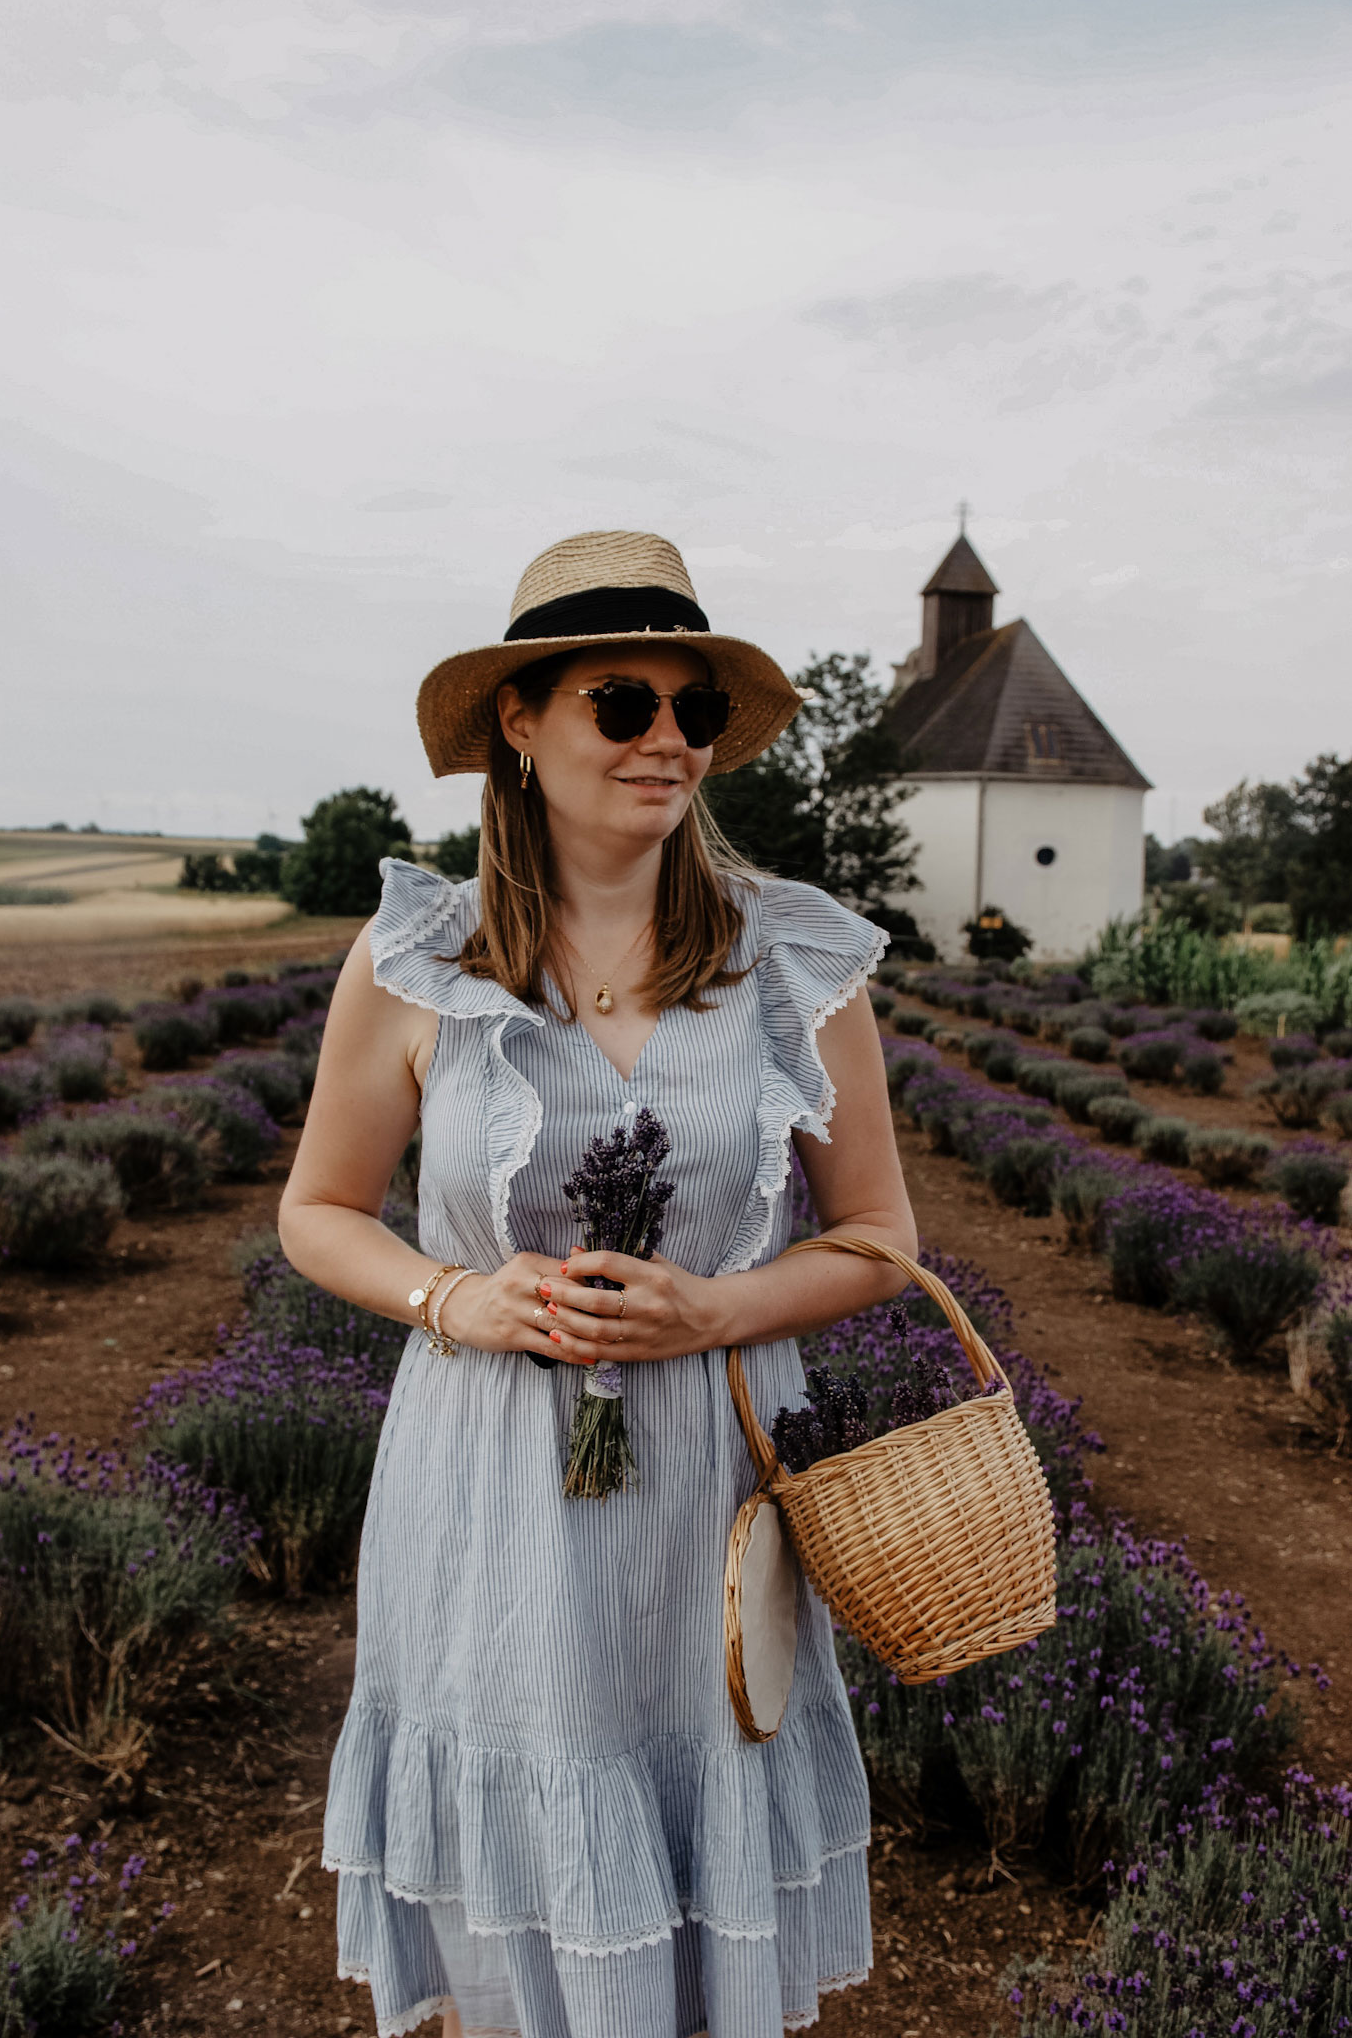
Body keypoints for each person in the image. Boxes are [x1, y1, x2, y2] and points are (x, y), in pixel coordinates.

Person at [279, 530, 918, 2038]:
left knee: (698, 1880)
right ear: (521, 722)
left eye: (695, 713)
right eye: (623, 705)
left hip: (715, 1490)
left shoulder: (792, 962)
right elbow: (316, 1211)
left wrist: (717, 1311)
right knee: (533, 1902)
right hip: (490, 1487)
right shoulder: (418, 958)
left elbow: (882, 1234)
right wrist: (455, 1300)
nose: (670, 744)